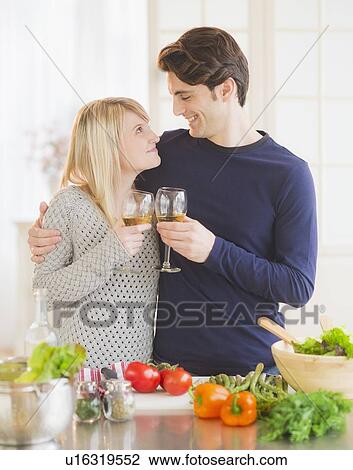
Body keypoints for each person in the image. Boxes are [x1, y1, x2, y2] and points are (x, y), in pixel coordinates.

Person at [28, 27, 317, 376]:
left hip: (254, 369)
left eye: (186, 96)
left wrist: (213, 250)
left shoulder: (288, 174)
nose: (177, 110)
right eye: (173, 97)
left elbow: (298, 286)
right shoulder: (164, 154)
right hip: (164, 371)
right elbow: (102, 183)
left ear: (226, 89)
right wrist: (46, 232)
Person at [30, 97, 161, 368]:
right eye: (139, 130)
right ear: (108, 145)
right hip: (81, 372)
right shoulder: (70, 204)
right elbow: (43, 288)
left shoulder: (152, 208)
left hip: (139, 373)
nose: (155, 136)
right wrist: (110, 251)